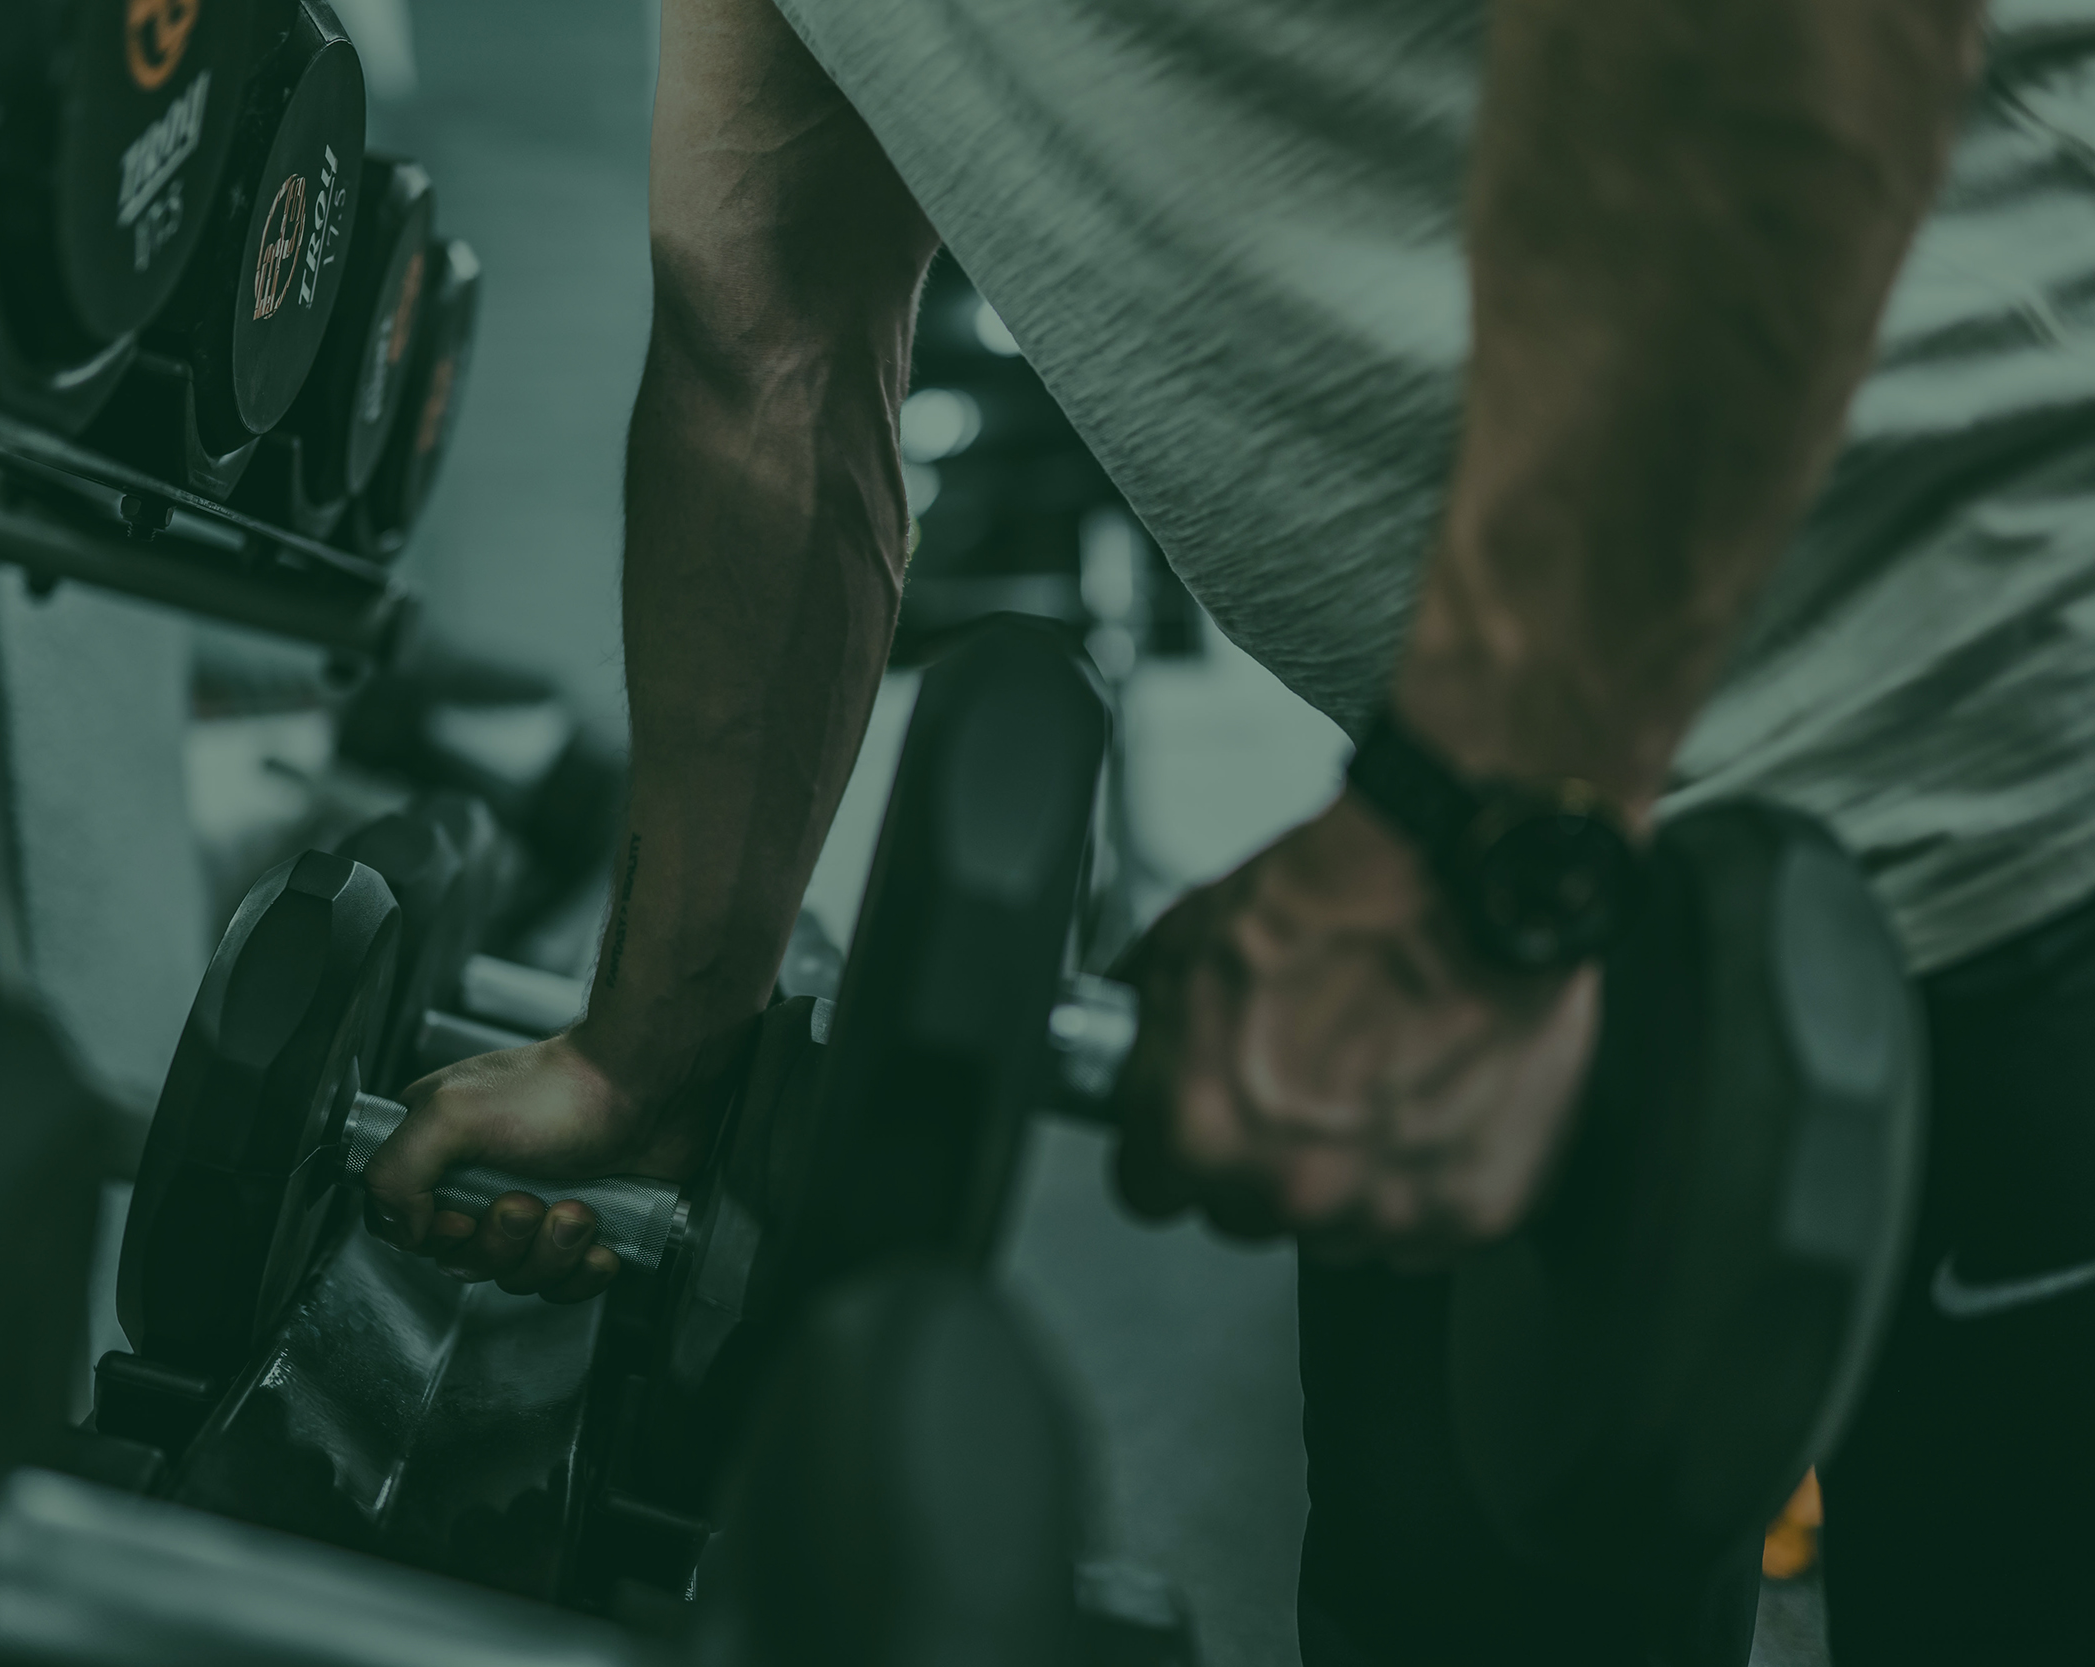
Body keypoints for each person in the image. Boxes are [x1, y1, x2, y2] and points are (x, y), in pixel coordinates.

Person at [365, 0, 2095, 1659]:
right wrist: (658, 1049)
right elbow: (768, 363)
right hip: (1542, 853)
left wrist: (1469, 846)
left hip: (2018, 773)